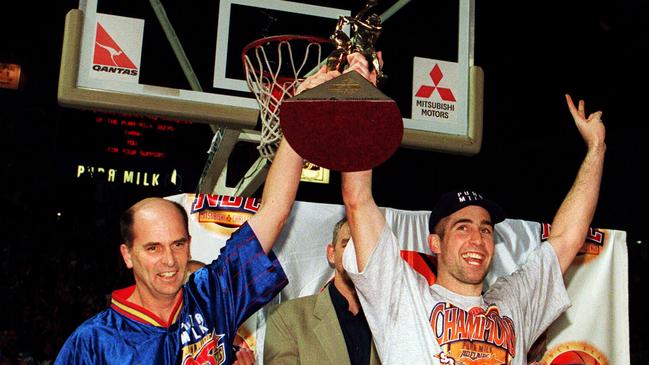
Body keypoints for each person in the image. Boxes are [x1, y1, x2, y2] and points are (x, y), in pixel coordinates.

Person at [340, 93, 606, 365]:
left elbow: (565, 239)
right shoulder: (403, 298)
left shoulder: (514, 302)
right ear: (435, 244)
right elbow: (358, 200)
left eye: (486, 229)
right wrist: (361, 97)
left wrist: (596, 148)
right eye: (462, 228)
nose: (477, 239)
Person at [54, 125, 307, 364]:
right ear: (127, 254)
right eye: (153, 247)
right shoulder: (92, 342)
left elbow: (274, 212)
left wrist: (299, 119)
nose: (169, 260)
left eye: (177, 244)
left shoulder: (213, 296)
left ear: (189, 244)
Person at [264, 217, 381, 365]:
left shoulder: (391, 320)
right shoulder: (287, 317)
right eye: (347, 245)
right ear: (332, 253)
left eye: (364, 246)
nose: (355, 254)